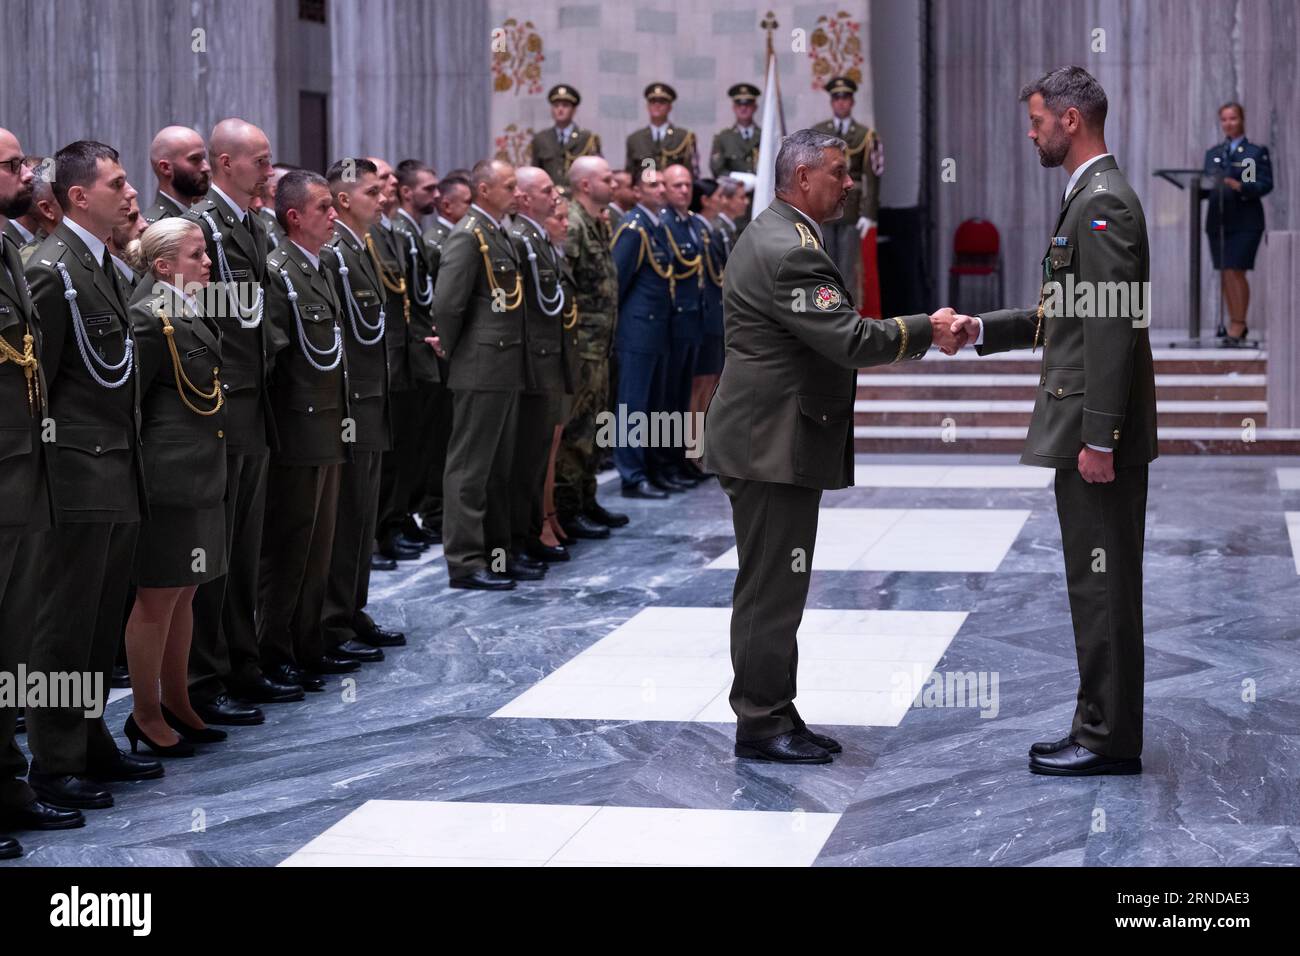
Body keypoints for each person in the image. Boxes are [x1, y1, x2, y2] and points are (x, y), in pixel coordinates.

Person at [701, 128, 960, 764]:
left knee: (776, 584)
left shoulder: (782, 234)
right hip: (770, 444)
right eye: (839, 174)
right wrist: (926, 328)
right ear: (800, 179)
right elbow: (848, 340)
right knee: (771, 587)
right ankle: (760, 722)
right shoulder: (792, 251)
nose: (849, 184)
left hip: (769, 438)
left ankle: (774, 706)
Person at [950, 66, 1157, 775]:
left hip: (1096, 437)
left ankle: (1105, 738)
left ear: (1071, 120)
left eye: (1037, 120)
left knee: (1102, 586)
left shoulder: (1104, 207)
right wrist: (980, 328)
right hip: (1088, 430)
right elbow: (1060, 318)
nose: (1031, 131)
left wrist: (1100, 434)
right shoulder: (1087, 201)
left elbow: (1110, 329)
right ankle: (1100, 725)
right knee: (1093, 582)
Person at [25, 140, 164, 808]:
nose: (129, 192)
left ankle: (89, 737)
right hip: (73, 481)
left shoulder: (104, 266)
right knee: (63, 627)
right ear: (79, 196)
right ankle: (53, 761)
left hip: (117, 470)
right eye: (116, 183)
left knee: (101, 624)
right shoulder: (52, 270)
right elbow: (37, 390)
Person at [183, 118, 298, 722]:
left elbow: (260, 314)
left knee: (246, 544)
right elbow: (193, 313)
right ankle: (206, 676)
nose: (268, 168)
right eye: (259, 158)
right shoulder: (202, 226)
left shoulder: (252, 223)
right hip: (220, 399)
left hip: (254, 400)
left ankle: (242, 661)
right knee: (214, 548)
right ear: (225, 163)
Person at [0, 128, 84, 858]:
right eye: (10, 164)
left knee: (12, 641)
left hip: (21, 471)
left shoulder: (6, 249)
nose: (26, 172)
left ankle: (7, 784)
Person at [123, 218, 230, 757]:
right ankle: (143, 712)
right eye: (195, 254)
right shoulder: (148, 318)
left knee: (187, 592)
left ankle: (177, 699)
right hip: (168, 479)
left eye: (205, 252)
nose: (207, 262)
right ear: (163, 266)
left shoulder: (187, 310)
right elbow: (131, 406)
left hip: (201, 472)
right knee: (156, 598)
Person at [259, 168, 355, 690]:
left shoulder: (316, 268)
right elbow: (273, 358)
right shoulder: (280, 272)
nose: (334, 213)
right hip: (297, 429)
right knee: (290, 545)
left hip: (327, 425)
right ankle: (274, 650)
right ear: (294, 216)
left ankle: (307, 642)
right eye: (324, 207)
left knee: (319, 544)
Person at [429, 158, 528, 590]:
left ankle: (498, 555)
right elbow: (447, 304)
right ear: (484, 189)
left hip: (503, 364)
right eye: (509, 185)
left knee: (499, 469)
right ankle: (466, 561)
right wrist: (455, 351)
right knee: (470, 468)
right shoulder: (469, 235)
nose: (516, 192)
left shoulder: (495, 230)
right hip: (480, 364)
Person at [319, 158, 402, 660]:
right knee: (346, 515)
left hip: (371, 398)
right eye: (372, 191)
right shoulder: (333, 253)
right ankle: (332, 621)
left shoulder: (361, 246)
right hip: (350, 402)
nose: (383, 197)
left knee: (363, 512)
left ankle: (352, 607)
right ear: (344, 199)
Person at [556, 155, 627, 537]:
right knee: (577, 430)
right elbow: (567, 289)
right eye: (606, 178)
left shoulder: (599, 221)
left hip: (600, 344)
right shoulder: (574, 223)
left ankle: (586, 498)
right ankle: (567, 508)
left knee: (596, 425)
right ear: (585, 185)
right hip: (582, 345)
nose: (613, 184)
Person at [508, 166, 569, 571]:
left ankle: (529, 535)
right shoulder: (519, 238)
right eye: (546, 189)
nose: (554, 195)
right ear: (526, 198)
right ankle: (516, 541)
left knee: (533, 459)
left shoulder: (538, 238)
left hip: (546, 360)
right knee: (521, 460)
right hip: (529, 363)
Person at [391, 159, 446, 562]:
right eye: (429, 189)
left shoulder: (405, 231)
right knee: (403, 443)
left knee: (417, 442)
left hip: (416, 348)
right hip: (401, 352)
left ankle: (400, 516)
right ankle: (393, 521)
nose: (436, 196)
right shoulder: (391, 232)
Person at [416, 173, 471, 541]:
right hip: (439, 347)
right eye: (466, 202)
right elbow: (441, 299)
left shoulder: (458, 236)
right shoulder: (436, 239)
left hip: (455, 347)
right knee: (437, 439)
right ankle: (434, 509)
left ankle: (439, 508)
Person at [652, 163, 706, 490]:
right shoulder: (663, 224)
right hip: (671, 322)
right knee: (666, 400)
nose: (684, 191)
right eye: (677, 186)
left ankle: (678, 459)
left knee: (681, 398)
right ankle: (662, 462)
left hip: (692, 321)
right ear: (665, 190)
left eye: (687, 185)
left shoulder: (693, 224)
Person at [1203, 101, 1272, 346]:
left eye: (1232, 118)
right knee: (1224, 272)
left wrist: (1239, 185)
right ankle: (1234, 323)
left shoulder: (1254, 152)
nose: (1228, 123)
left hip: (1245, 221)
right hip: (1218, 220)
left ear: (1241, 120)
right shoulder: (1213, 153)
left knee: (1236, 271)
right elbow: (1205, 184)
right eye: (1224, 119)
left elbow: (1263, 184)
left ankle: (1238, 324)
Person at [812, 77, 883, 300]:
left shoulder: (865, 134)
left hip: (851, 211)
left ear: (851, 102)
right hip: (823, 210)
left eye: (846, 98)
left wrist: (869, 214)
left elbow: (873, 175)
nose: (841, 103)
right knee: (824, 265)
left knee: (849, 268)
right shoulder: (819, 132)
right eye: (837, 99)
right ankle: (826, 312)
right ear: (832, 102)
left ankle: (848, 317)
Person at [709, 83, 761, 231]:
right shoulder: (723, 138)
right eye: (739, 104)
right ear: (733, 107)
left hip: (760, 201)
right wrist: (743, 182)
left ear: (755, 107)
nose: (743, 108)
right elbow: (717, 170)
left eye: (748, 103)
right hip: (733, 203)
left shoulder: (766, 137)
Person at [529, 85, 602, 187]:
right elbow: (536, 173)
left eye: (565, 105)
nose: (560, 109)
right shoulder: (541, 139)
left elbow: (596, 172)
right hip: (550, 196)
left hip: (578, 195)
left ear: (574, 110)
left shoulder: (587, 138)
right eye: (556, 105)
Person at [626, 83, 697, 177]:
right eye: (653, 102)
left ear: (670, 107)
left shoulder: (683, 137)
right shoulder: (635, 139)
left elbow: (690, 173)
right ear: (647, 106)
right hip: (646, 189)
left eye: (662, 102)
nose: (657, 105)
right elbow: (630, 174)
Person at [143, 126, 211, 223]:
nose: (206, 167)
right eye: (195, 159)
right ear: (165, 168)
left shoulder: (199, 216)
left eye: (204, 158)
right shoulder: (158, 228)